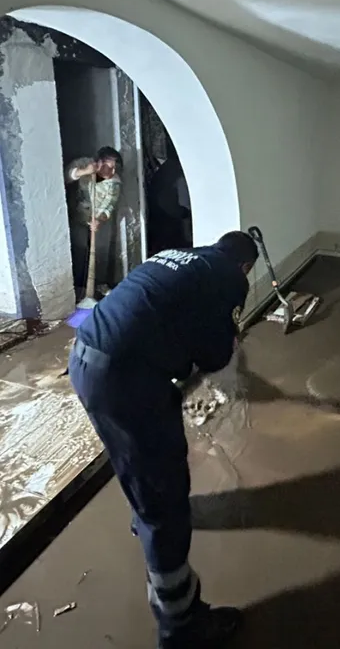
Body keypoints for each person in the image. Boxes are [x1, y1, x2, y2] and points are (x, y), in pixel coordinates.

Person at [68, 232, 259, 648]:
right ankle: (181, 627)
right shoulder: (232, 278)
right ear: (245, 267)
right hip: (124, 378)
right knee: (166, 499)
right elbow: (213, 356)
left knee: (133, 459)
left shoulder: (182, 256)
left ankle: (144, 516)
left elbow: (165, 318)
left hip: (84, 356)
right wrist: (229, 338)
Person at [65, 147, 123, 293]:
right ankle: (78, 287)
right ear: (100, 163)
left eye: (115, 168)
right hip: (77, 216)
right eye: (109, 168)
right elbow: (66, 176)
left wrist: (99, 220)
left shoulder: (114, 182)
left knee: (99, 250)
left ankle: (99, 284)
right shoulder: (84, 163)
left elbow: (109, 205)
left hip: (97, 219)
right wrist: (84, 172)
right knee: (79, 250)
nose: (113, 172)